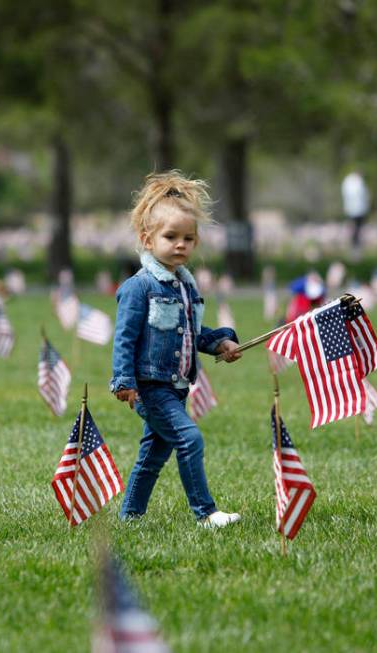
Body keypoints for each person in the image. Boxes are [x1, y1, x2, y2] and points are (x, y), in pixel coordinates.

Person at [110, 171, 244, 528]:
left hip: (177, 387)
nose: (181, 244)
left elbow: (193, 333)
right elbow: (124, 337)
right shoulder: (139, 288)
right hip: (151, 387)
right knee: (189, 438)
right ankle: (206, 513)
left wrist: (221, 342)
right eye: (171, 237)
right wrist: (124, 380)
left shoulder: (185, 286)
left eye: (189, 238)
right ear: (147, 239)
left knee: (153, 455)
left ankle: (130, 516)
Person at [341, 170, 370, 258]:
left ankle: (356, 246)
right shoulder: (355, 182)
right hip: (356, 210)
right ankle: (355, 247)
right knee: (355, 229)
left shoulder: (350, 181)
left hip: (355, 209)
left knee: (356, 229)